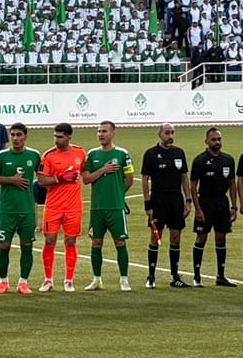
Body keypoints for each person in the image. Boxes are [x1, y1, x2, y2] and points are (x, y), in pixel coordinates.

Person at [0, 123, 40, 295]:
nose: (15, 138)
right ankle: (3, 281)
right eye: (13, 135)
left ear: (25, 136)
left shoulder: (34, 155)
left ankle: (23, 283)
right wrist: (12, 180)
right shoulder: (1, 156)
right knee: (3, 245)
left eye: (19, 135)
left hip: (26, 211)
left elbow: (42, 177)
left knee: (27, 245)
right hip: (7, 210)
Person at [83, 121, 135, 292]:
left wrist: (118, 194)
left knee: (119, 242)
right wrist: (103, 170)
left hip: (115, 207)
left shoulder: (122, 154)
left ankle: (124, 279)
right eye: (98, 131)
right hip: (97, 208)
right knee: (96, 243)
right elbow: (86, 179)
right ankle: (96, 279)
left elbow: (129, 179)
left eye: (104, 131)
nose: (101, 134)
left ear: (113, 133)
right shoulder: (92, 154)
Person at [141, 123, 193, 289]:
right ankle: (151, 276)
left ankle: (174, 276)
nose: (170, 136)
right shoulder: (150, 154)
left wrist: (188, 200)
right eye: (167, 133)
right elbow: (144, 179)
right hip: (158, 199)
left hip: (176, 199)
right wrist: (148, 204)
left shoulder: (179, 153)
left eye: (172, 133)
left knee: (176, 237)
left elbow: (184, 177)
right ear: (159, 134)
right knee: (156, 236)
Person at [36, 122, 86, 292]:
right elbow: (42, 180)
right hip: (53, 206)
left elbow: (84, 172)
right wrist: (61, 178)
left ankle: (68, 280)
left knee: (70, 241)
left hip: (73, 206)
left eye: (60, 136)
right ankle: (48, 279)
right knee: (49, 240)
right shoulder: (48, 156)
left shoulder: (80, 152)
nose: (56, 140)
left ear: (69, 136)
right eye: (55, 136)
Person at [191, 127, 236, 287]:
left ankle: (221, 276)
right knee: (201, 238)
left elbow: (232, 184)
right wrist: (197, 209)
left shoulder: (228, 160)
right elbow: (193, 185)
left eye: (219, 139)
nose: (217, 142)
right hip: (205, 203)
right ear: (206, 141)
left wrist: (234, 207)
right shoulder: (200, 160)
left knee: (221, 238)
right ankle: (196, 276)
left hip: (222, 204)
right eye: (214, 139)